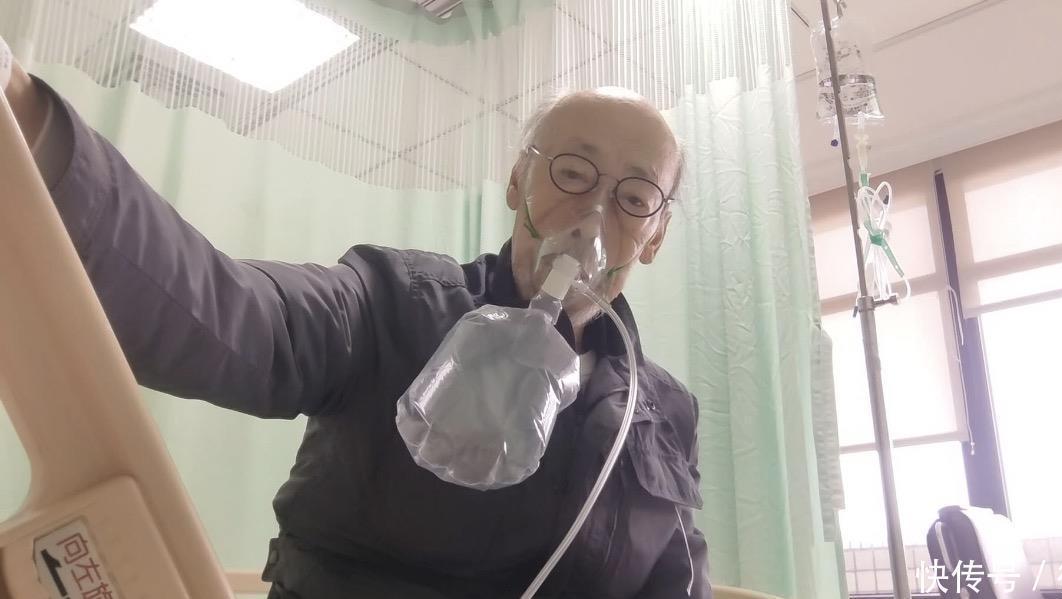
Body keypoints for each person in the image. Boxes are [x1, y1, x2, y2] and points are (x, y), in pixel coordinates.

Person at [2, 36, 710, 599]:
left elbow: (678, 577)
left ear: (655, 238)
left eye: (635, 198)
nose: (592, 216)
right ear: (517, 182)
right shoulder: (394, 303)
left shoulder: (662, 412)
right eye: (573, 173)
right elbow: (231, 314)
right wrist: (27, 124)